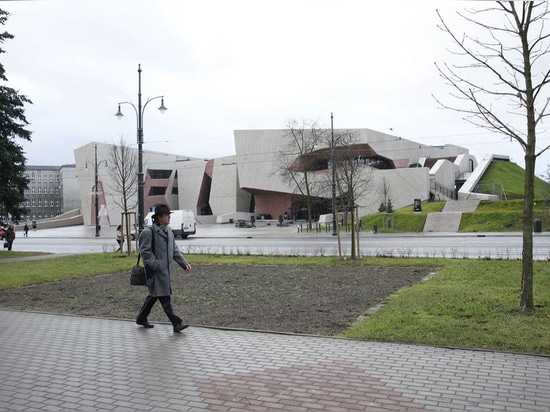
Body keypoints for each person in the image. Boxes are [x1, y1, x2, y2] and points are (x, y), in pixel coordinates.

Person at [136, 204, 192, 332]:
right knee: (165, 298)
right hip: (155, 272)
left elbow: (175, 251)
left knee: (154, 296)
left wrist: (184, 264)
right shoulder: (148, 233)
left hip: (165, 272)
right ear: (159, 217)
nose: (169, 217)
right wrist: (156, 265)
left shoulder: (169, 231)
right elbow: (145, 252)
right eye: (167, 215)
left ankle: (141, 318)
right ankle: (176, 324)